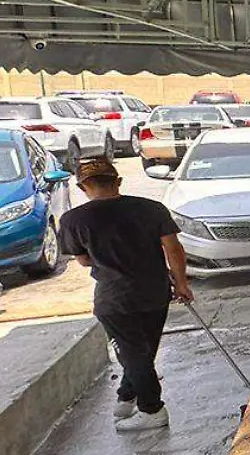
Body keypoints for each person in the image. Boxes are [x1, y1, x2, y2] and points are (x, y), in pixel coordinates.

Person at [57, 158, 193, 432]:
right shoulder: (151, 209)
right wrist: (181, 284)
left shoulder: (73, 220)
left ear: (83, 187)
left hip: (114, 297)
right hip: (154, 292)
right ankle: (126, 396)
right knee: (142, 351)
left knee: (134, 353)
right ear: (118, 181)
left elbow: (83, 261)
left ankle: (152, 409)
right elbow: (174, 249)